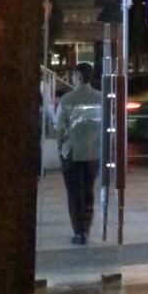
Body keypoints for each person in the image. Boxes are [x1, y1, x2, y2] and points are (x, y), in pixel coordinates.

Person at [55, 62, 101, 244]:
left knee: (74, 194)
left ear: (79, 77)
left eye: (73, 76)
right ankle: (87, 227)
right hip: (93, 152)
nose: (72, 79)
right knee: (89, 191)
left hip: (72, 153)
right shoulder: (100, 98)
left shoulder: (67, 99)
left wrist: (60, 147)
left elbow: (59, 128)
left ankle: (79, 231)